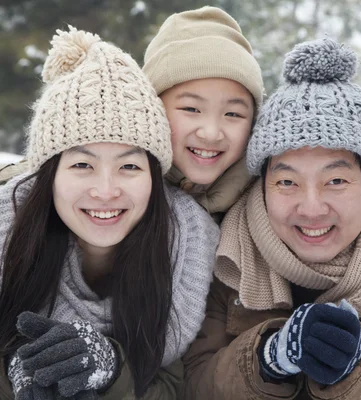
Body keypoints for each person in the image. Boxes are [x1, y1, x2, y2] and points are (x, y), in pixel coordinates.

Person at [182, 38, 361, 399]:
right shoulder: (224, 250)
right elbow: (193, 383)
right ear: (261, 186)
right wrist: (268, 358)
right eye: (287, 182)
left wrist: (359, 367)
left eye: (335, 181)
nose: (311, 208)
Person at [142, 6, 361, 337]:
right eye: (190, 108)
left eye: (233, 114)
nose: (212, 132)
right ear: (151, 107)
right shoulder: (125, 177)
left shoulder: (259, 163)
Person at [0, 27, 219, 399]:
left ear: (155, 177)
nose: (105, 191)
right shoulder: (8, 230)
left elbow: (174, 384)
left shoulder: (188, 247)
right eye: (83, 165)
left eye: (129, 167)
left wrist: (111, 367)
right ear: (49, 175)